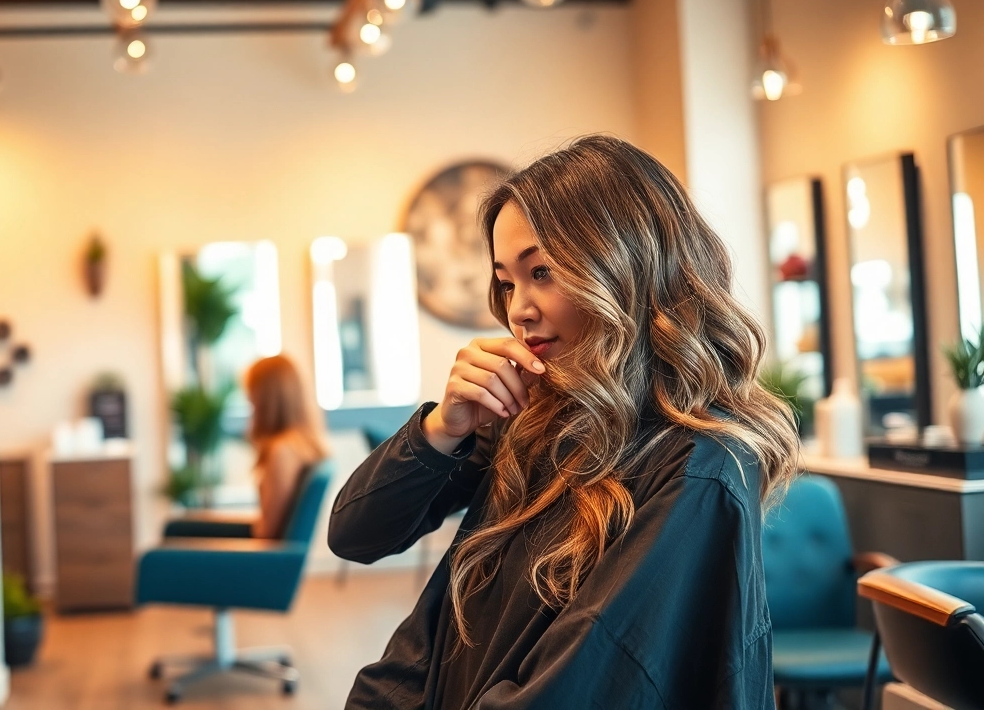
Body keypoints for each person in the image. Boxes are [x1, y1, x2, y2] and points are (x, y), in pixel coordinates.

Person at [328, 135, 800, 709]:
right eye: (507, 281)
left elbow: (580, 684)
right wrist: (442, 432)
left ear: (628, 263)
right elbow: (356, 534)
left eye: (543, 272)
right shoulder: (537, 417)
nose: (519, 308)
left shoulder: (699, 465)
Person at [246, 355, 327, 539]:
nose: (251, 405)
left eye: (251, 399)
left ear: (264, 399)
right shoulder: (301, 443)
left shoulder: (283, 451)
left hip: (264, 562)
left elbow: (267, 533)